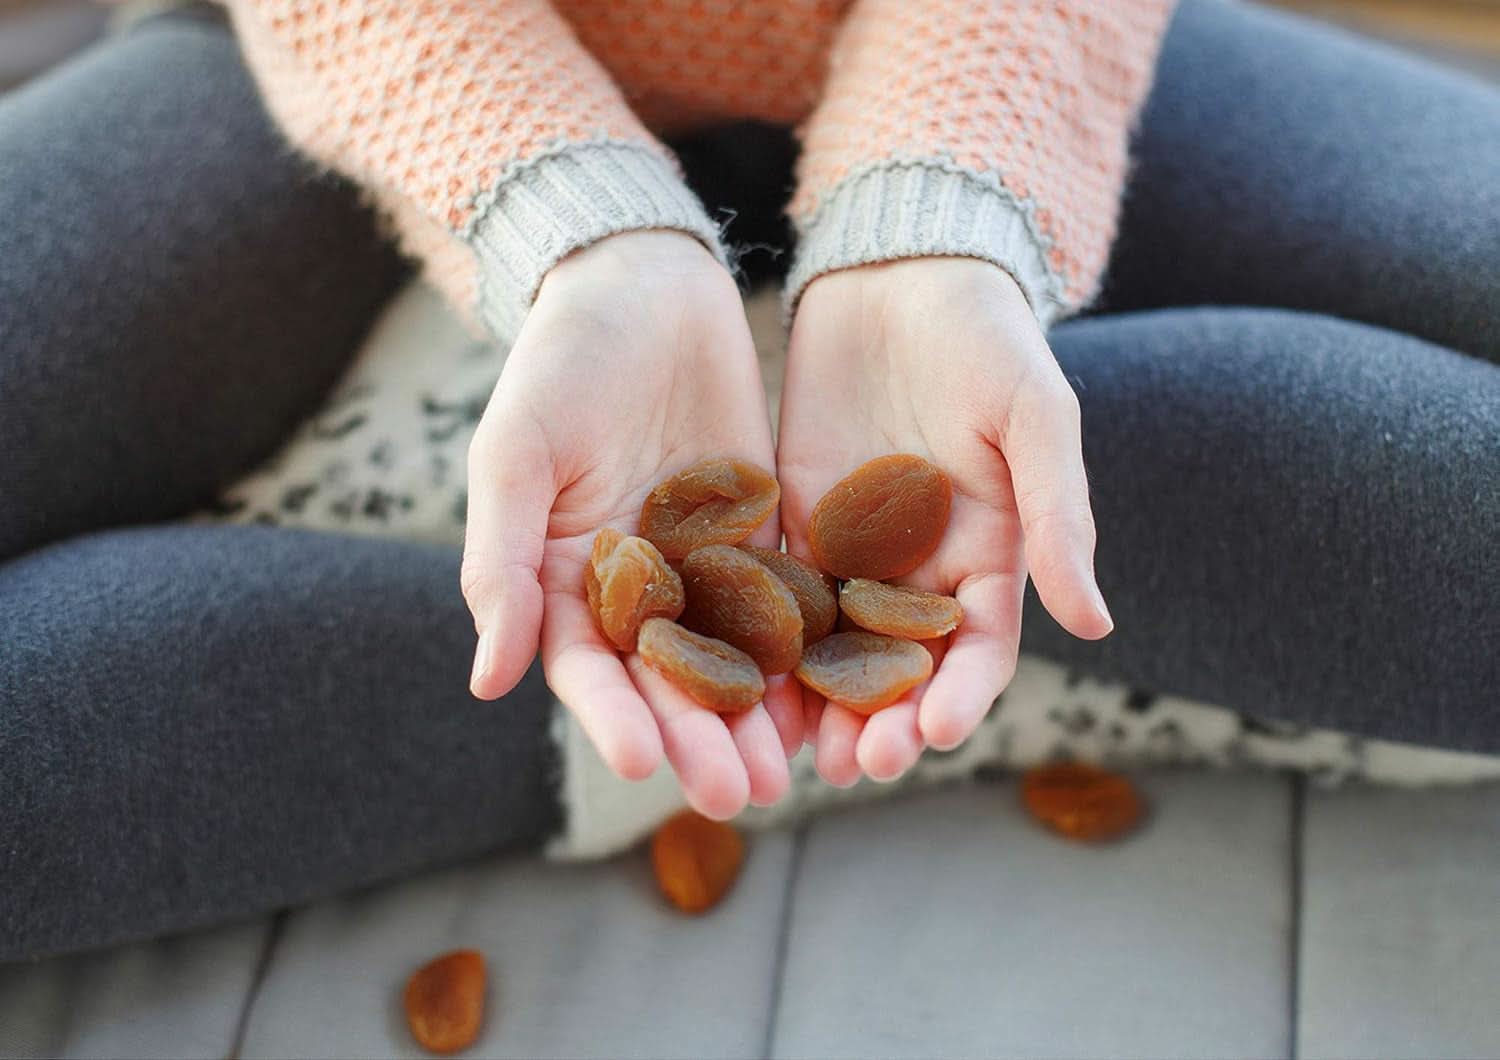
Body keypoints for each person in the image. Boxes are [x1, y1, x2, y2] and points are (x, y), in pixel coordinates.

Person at [1, 0, 1496, 961]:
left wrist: (937, 224)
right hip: (377, 61)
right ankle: (607, 659)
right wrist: (579, 227)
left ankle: (917, 595)